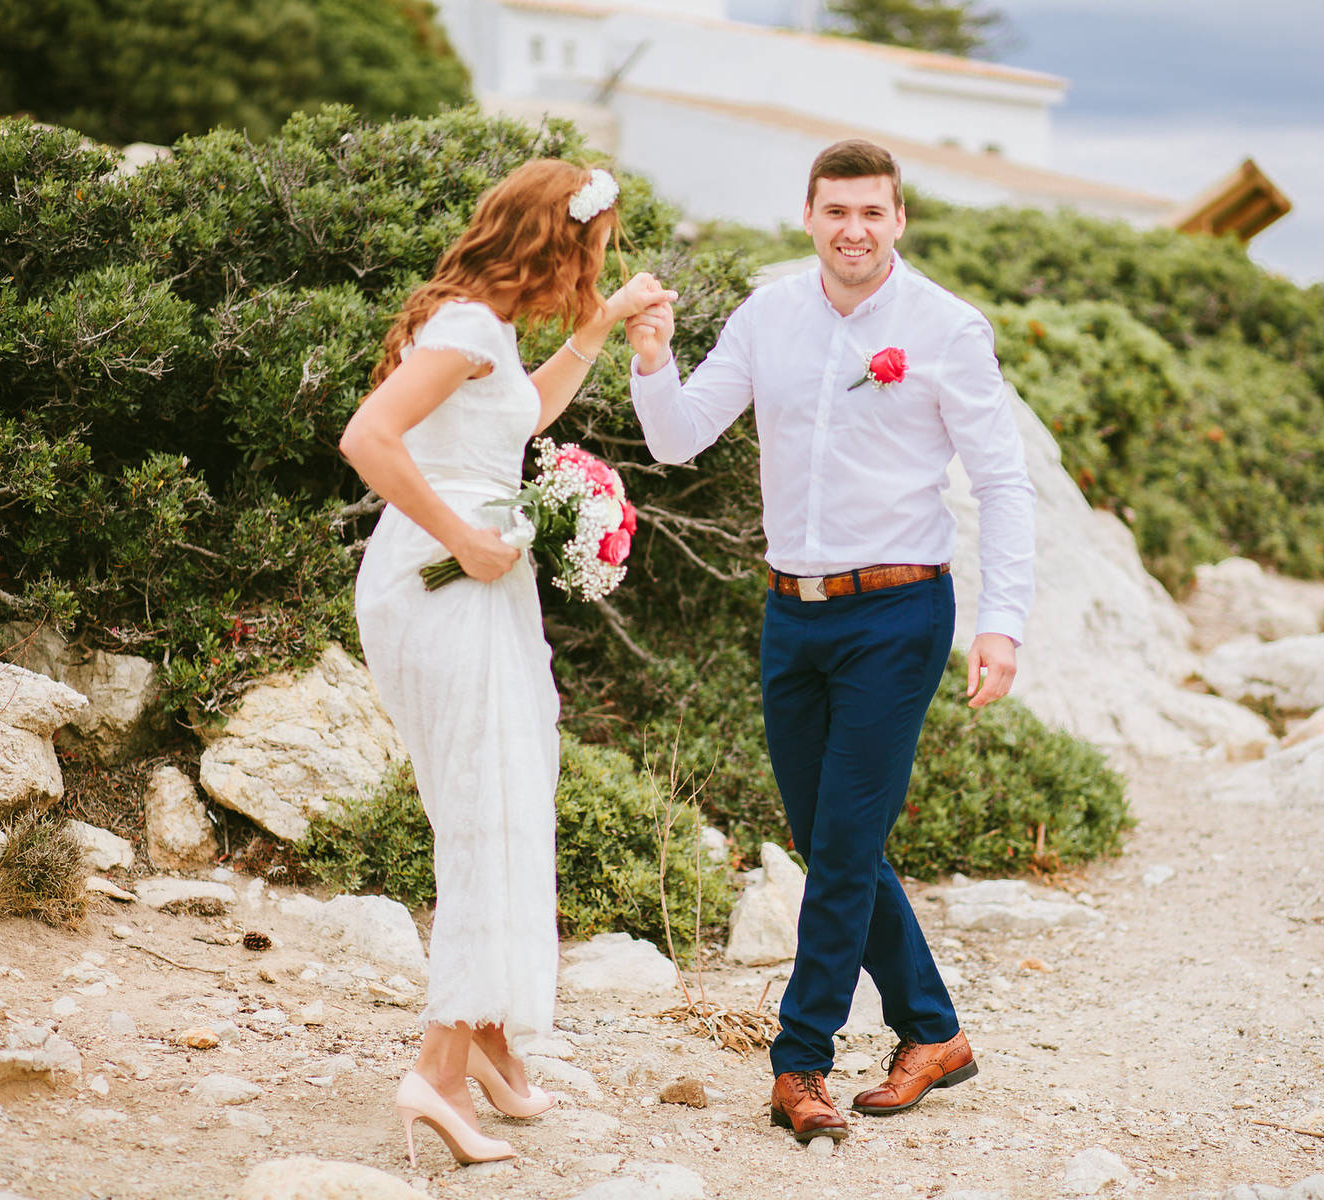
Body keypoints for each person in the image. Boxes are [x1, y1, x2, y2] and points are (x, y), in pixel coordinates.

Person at [624, 139, 1036, 1143]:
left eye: (873, 212)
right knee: (830, 842)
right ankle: (934, 1032)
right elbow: (679, 438)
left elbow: (1002, 483)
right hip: (790, 614)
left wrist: (1002, 623)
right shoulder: (769, 314)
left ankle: (798, 1063)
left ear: (898, 221)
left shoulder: (945, 328)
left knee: (845, 844)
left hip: (898, 614)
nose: (854, 228)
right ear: (809, 215)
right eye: (836, 209)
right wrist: (650, 357)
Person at [340, 159, 673, 1168]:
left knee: (496, 800)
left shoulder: (478, 327)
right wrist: (463, 538)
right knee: (490, 809)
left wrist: (601, 326)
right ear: (559, 242)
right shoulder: (463, 330)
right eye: (596, 249)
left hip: (470, 582)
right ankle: (438, 1075)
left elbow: (516, 420)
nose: (599, 263)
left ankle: (481, 1031)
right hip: (444, 582)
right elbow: (371, 438)